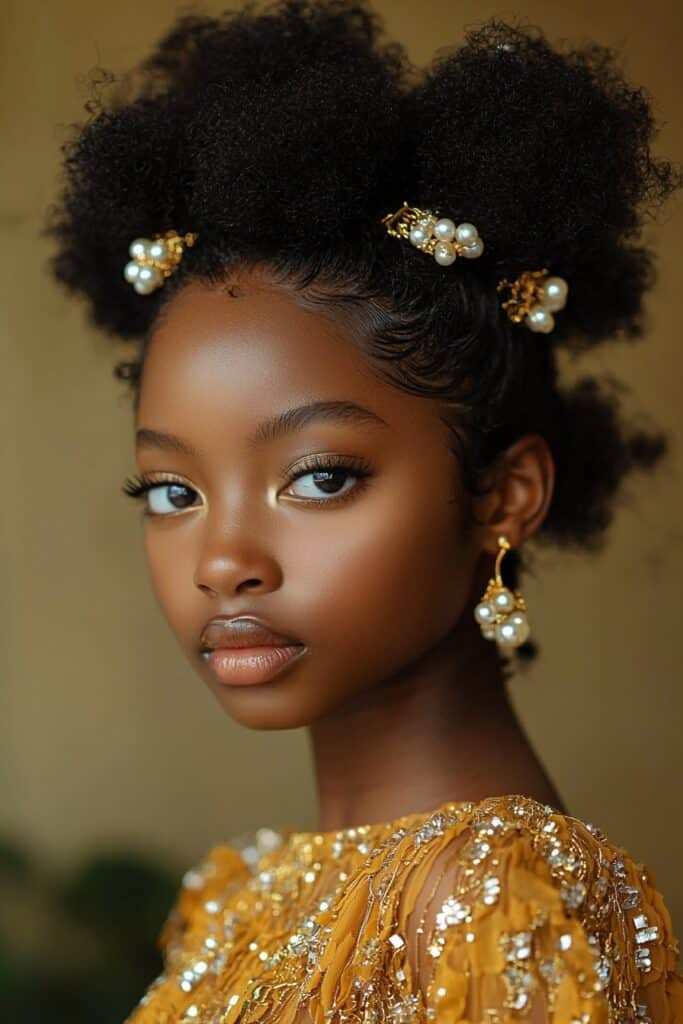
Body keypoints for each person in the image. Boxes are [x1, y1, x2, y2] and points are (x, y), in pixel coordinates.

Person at [45, 1, 683, 1020]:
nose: (224, 559)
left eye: (319, 476)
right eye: (172, 491)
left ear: (502, 496)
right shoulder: (240, 900)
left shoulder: (483, 908)